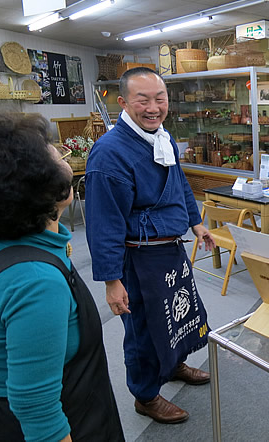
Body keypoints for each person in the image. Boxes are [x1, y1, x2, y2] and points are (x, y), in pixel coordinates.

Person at [85, 67, 215, 424]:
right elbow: (103, 223)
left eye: (160, 99)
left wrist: (197, 222)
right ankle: (145, 394)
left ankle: (173, 364)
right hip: (137, 256)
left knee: (175, 315)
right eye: (143, 100)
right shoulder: (109, 153)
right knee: (143, 328)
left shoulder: (162, 138)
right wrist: (112, 280)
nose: (153, 107)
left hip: (169, 248)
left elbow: (179, 185)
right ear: (124, 102)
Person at [0, 113, 124, 441]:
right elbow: (37, 409)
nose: (61, 152)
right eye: (50, 148)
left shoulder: (12, 242)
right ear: (34, 179)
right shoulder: (35, 282)